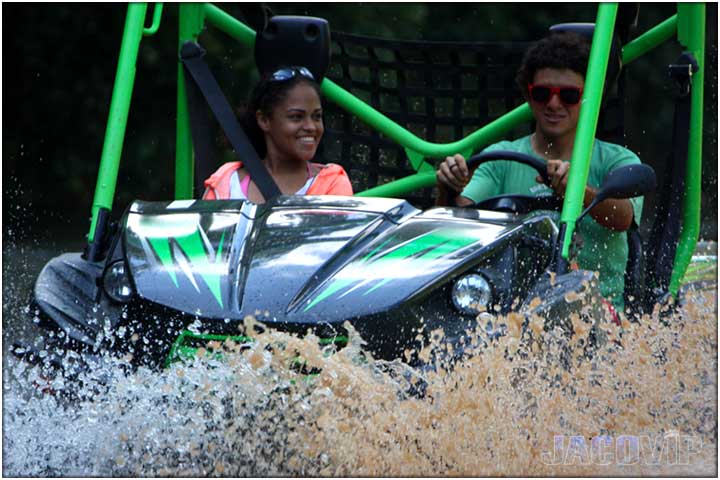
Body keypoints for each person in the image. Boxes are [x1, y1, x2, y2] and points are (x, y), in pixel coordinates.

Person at [435, 32, 643, 312]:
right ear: (528, 95)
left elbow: (623, 218)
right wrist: (449, 187)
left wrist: (579, 191)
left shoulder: (616, 160)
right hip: (510, 312)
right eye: (542, 93)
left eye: (569, 96)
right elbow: (456, 227)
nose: (553, 104)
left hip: (599, 313)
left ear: (588, 99)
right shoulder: (502, 157)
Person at [203, 66, 353, 202]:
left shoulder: (332, 183)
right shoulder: (227, 180)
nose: (310, 127)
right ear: (264, 120)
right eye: (296, 117)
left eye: (317, 116)